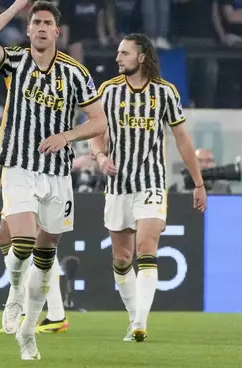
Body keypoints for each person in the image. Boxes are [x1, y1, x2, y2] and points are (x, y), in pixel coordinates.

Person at [0, 0, 108, 359]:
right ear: (28, 29)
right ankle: (14, 295)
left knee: (46, 257)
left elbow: (99, 122)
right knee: (22, 244)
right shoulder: (15, 61)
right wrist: (15, 6)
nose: (42, 28)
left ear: (57, 32)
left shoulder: (75, 73)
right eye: (36, 22)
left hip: (58, 174)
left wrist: (67, 135)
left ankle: (28, 331)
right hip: (18, 167)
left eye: (48, 22)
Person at [88, 33, 206, 343]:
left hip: (151, 182)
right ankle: (132, 318)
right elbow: (94, 129)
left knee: (146, 247)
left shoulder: (165, 93)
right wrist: (100, 156)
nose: (118, 58)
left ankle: (141, 323)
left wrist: (199, 183)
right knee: (122, 259)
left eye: (124, 53)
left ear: (141, 57)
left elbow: (182, 139)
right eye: (118, 52)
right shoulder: (108, 91)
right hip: (117, 185)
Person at [0, 150, 69, 334]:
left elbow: (8, 139)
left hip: (38, 172)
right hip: (19, 172)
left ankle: (49, 313)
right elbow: (7, 139)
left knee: (37, 240)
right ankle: (42, 311)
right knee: (6, 237)